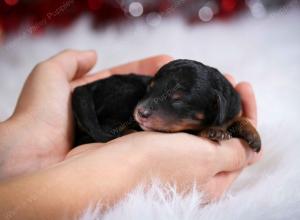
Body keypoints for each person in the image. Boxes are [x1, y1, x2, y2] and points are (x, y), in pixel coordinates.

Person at [0, 50, 262, 219]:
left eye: (177, 101)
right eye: (152, 90)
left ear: (216, 108)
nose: (144, 108)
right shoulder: (136, 101)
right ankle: (97, 135)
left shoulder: (224, 104)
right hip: (98, 102)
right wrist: (129, 166)